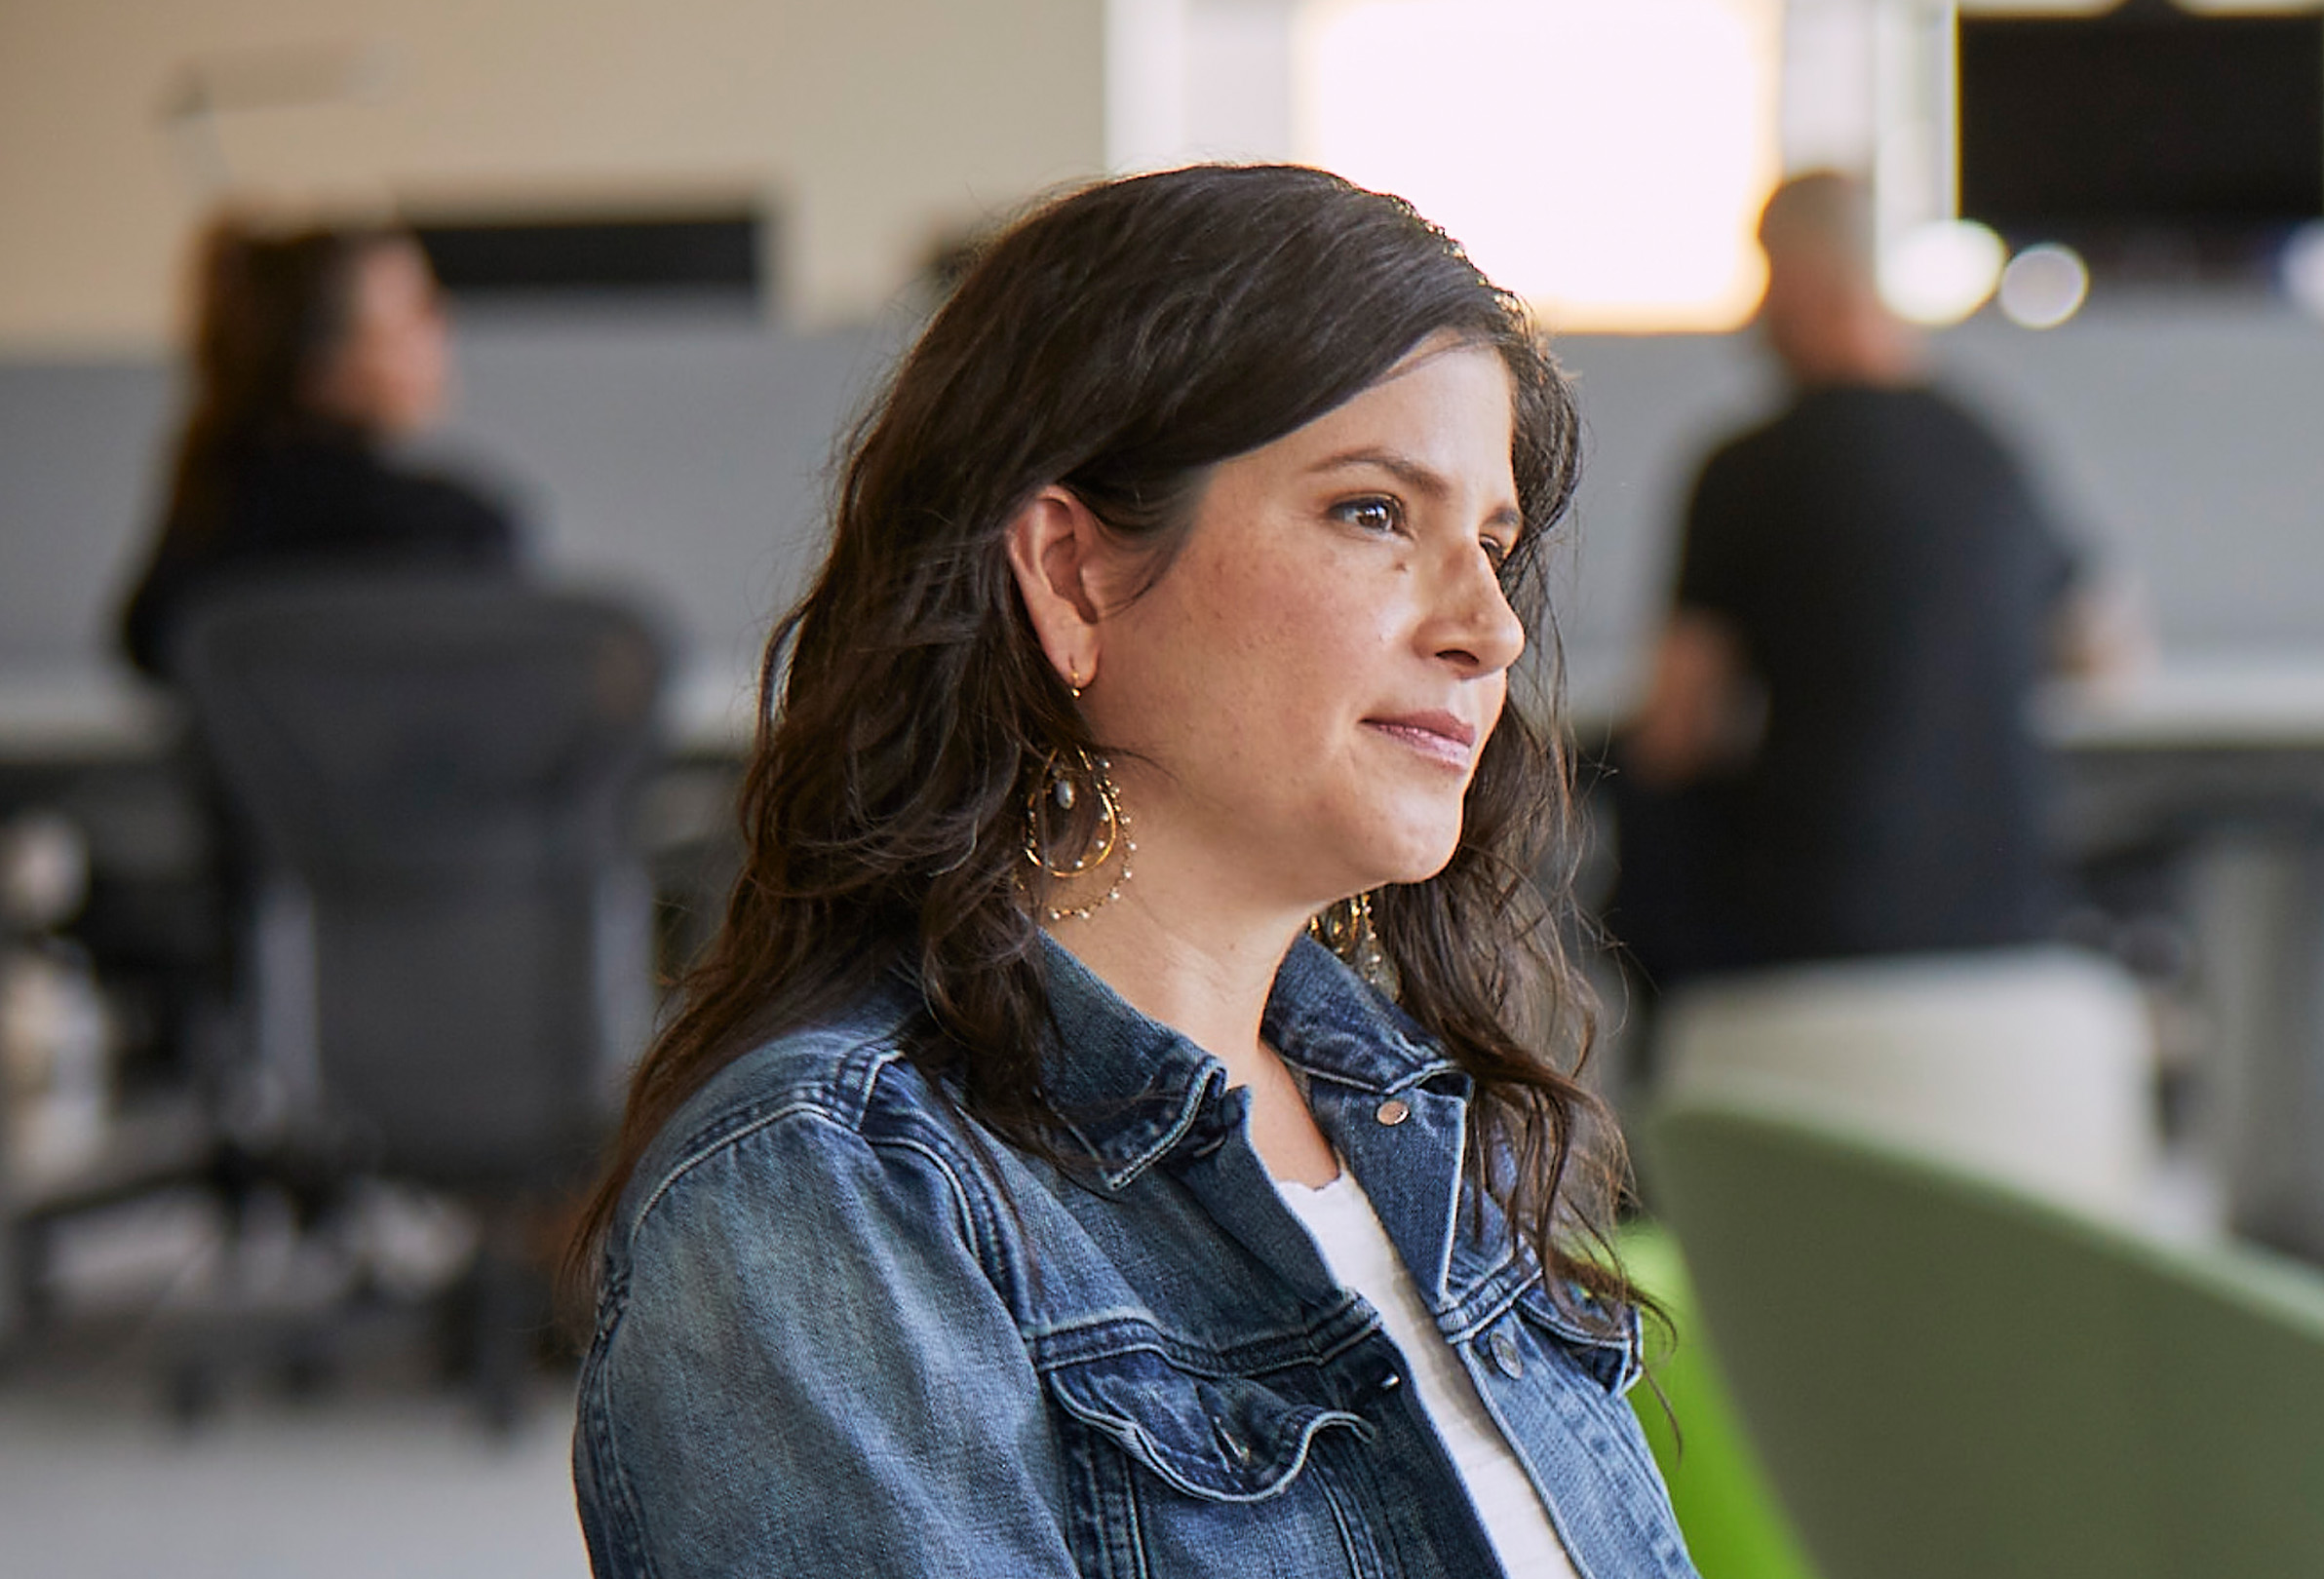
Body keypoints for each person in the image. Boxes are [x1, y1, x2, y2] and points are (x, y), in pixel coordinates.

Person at [568, 166, 1697, 1579]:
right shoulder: (830, 1202)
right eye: (1373, 515)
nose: (1488, 630)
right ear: (1075, 577)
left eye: (1491, 544)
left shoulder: (1413, 1121)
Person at [1616, 170, 2119, 981]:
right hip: (2004, 931)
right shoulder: (1991, 449)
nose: (1757, 315)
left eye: (1767, 278)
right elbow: (2104, 654)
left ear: (1807, 279)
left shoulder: (1746, 469)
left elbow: (1680, 728)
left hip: (1808, 936)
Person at [119, 216, 519, 676]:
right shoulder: (462, 532)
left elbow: (143, 645)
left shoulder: (212, 509)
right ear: (326, 364)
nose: (443, 331)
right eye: (418, 311)